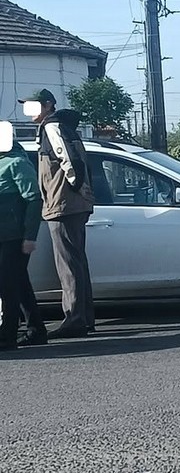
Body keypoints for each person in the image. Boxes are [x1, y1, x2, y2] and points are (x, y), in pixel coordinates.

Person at [20, 89, 96, 339]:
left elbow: (70, 162)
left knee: (68, 264)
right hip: (70, 204)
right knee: (76, 262)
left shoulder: (52, 128)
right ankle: (84, 317)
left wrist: (68, 190)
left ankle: (75, 319)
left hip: (63, 205)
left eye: (33, 106)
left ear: (48, 105)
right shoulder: (59, 126)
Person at [0, 123, 42, 351]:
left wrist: (30, 236)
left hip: (13, 237)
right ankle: (36, 328)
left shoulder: (17, 163)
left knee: (7, 286)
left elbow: (34, 200)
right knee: (19, 284)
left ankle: (7, 336)